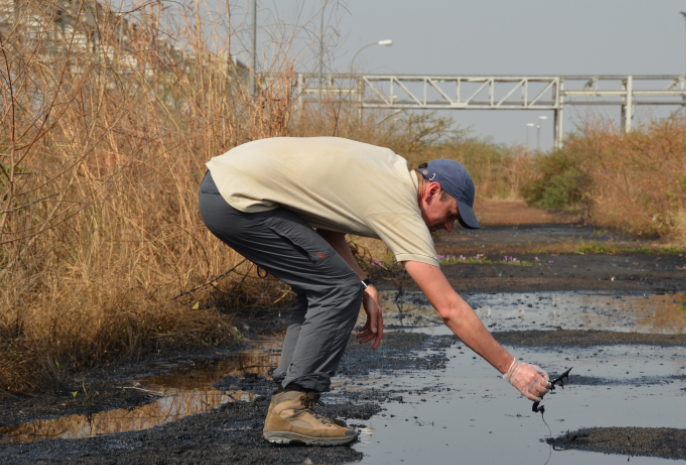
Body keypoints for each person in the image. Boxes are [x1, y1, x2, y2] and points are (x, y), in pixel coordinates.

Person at [198, 136, 550, 446]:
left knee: (328, 285)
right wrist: (512, 368)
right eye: (451, 215)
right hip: (237, 200)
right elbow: (448, 308)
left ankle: (287, 395)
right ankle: (291, 410)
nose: (449, 227)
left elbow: (327, 225)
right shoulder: (399, 202)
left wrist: (364, 284)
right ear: (431, 191)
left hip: (228, 188)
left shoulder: (385, 169)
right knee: (336, 289)